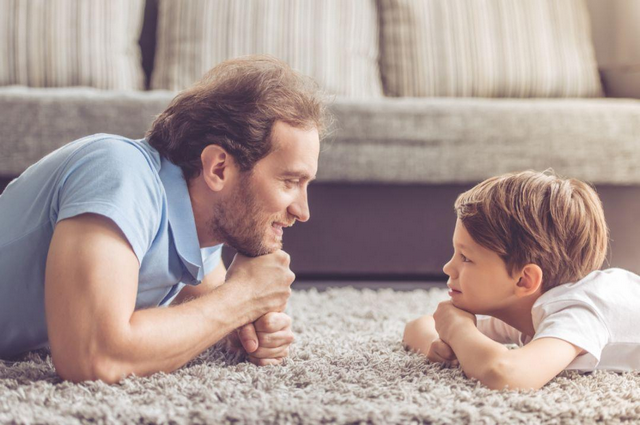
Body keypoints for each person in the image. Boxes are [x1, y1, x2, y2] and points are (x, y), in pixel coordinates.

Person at [0, 55, 327, 383]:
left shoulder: (202, 229)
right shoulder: (118, 173)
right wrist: (243, 297)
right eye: (290, 182)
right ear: (219, 168)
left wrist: (243, 330)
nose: (303, 211)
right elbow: (92, 356)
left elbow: (209, 309)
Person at [403, 170, 640, 390]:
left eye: (465, 258)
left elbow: (506, 374)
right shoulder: (519, 307)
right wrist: (437, 344)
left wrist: (457, 329)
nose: (448, 267)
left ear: (523, 281)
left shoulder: (576, 313)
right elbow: (417, 326)